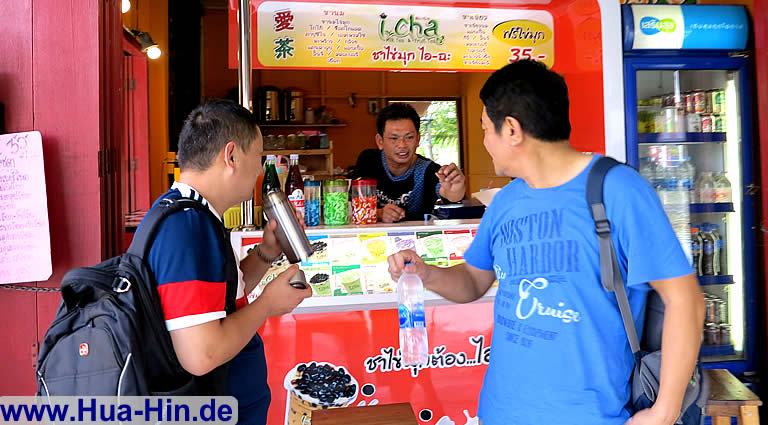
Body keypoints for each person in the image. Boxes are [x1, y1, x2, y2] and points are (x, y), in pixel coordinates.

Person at [387, 61, 704, 425]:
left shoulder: (617, 189)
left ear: (511, 130)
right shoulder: (506, 201)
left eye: (486, 130)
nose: (486, 142)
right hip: (501, 412)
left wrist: (665, 410)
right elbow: (474, 281)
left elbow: (685, 300)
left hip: (592, 415)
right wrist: (426, 273)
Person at [140, 99, 311, 424]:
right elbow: (201, 354)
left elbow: (216, 298)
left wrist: (266, 252)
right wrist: (267, 304)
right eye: (258, 157)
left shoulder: (186, 212)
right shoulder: (188, 228)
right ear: (231, 155)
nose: (260, 170)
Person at [353, 102, 466, 223]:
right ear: (380, 141)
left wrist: (456, 190)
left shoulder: (427, 170)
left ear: (418, 139)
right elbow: (353, 206)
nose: (402, 145)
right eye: (394, 138)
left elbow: (449, 193)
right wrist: (379, 213)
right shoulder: (369, 161)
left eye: (409, 137)